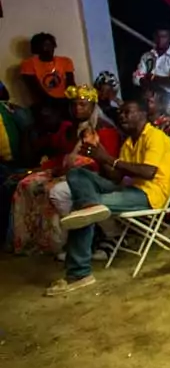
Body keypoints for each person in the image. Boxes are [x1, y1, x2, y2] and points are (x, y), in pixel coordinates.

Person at [47, 99, 170, 296]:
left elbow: (148, 172)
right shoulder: (129, 142)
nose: (122, 116)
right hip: (127, 188)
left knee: (84, 211)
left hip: (148, 193)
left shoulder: (155, 137)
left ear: (142, 114)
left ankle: (79, 273)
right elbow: (117, 176)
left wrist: (108, 159)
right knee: (77, 174)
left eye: (127, 112)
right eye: (120, 113)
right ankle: (90, 204)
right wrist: (100, 157)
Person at [11, 85, 120, 256]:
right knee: (26, 184)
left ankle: (86, 237)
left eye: (83, 105)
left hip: (94, 176)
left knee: (55, 191)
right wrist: (37, 170)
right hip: (70, 172)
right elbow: (61, 156)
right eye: (74, 104)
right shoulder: (69, 128)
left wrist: (71, 168)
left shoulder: (104, 130)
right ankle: (46, 241)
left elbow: (107, 163)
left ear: (93, 106)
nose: (77, 109)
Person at [20, 33, 76, 109]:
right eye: (45, 46)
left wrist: (73, 99)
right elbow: (36, 90)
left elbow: (71, 84)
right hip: (45, 103)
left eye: (50, 45)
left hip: (66, 101)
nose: (48, 49)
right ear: (37, 48)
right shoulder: (28, 64)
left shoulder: (65, 61)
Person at [132, 28, 170, 101]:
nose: (160, 39)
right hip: (151, 100)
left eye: (164, 36)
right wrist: (159, 81)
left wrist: (151, 77)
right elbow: (136, 78)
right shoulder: (147, 56)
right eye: (158, 36)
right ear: (154, 37)